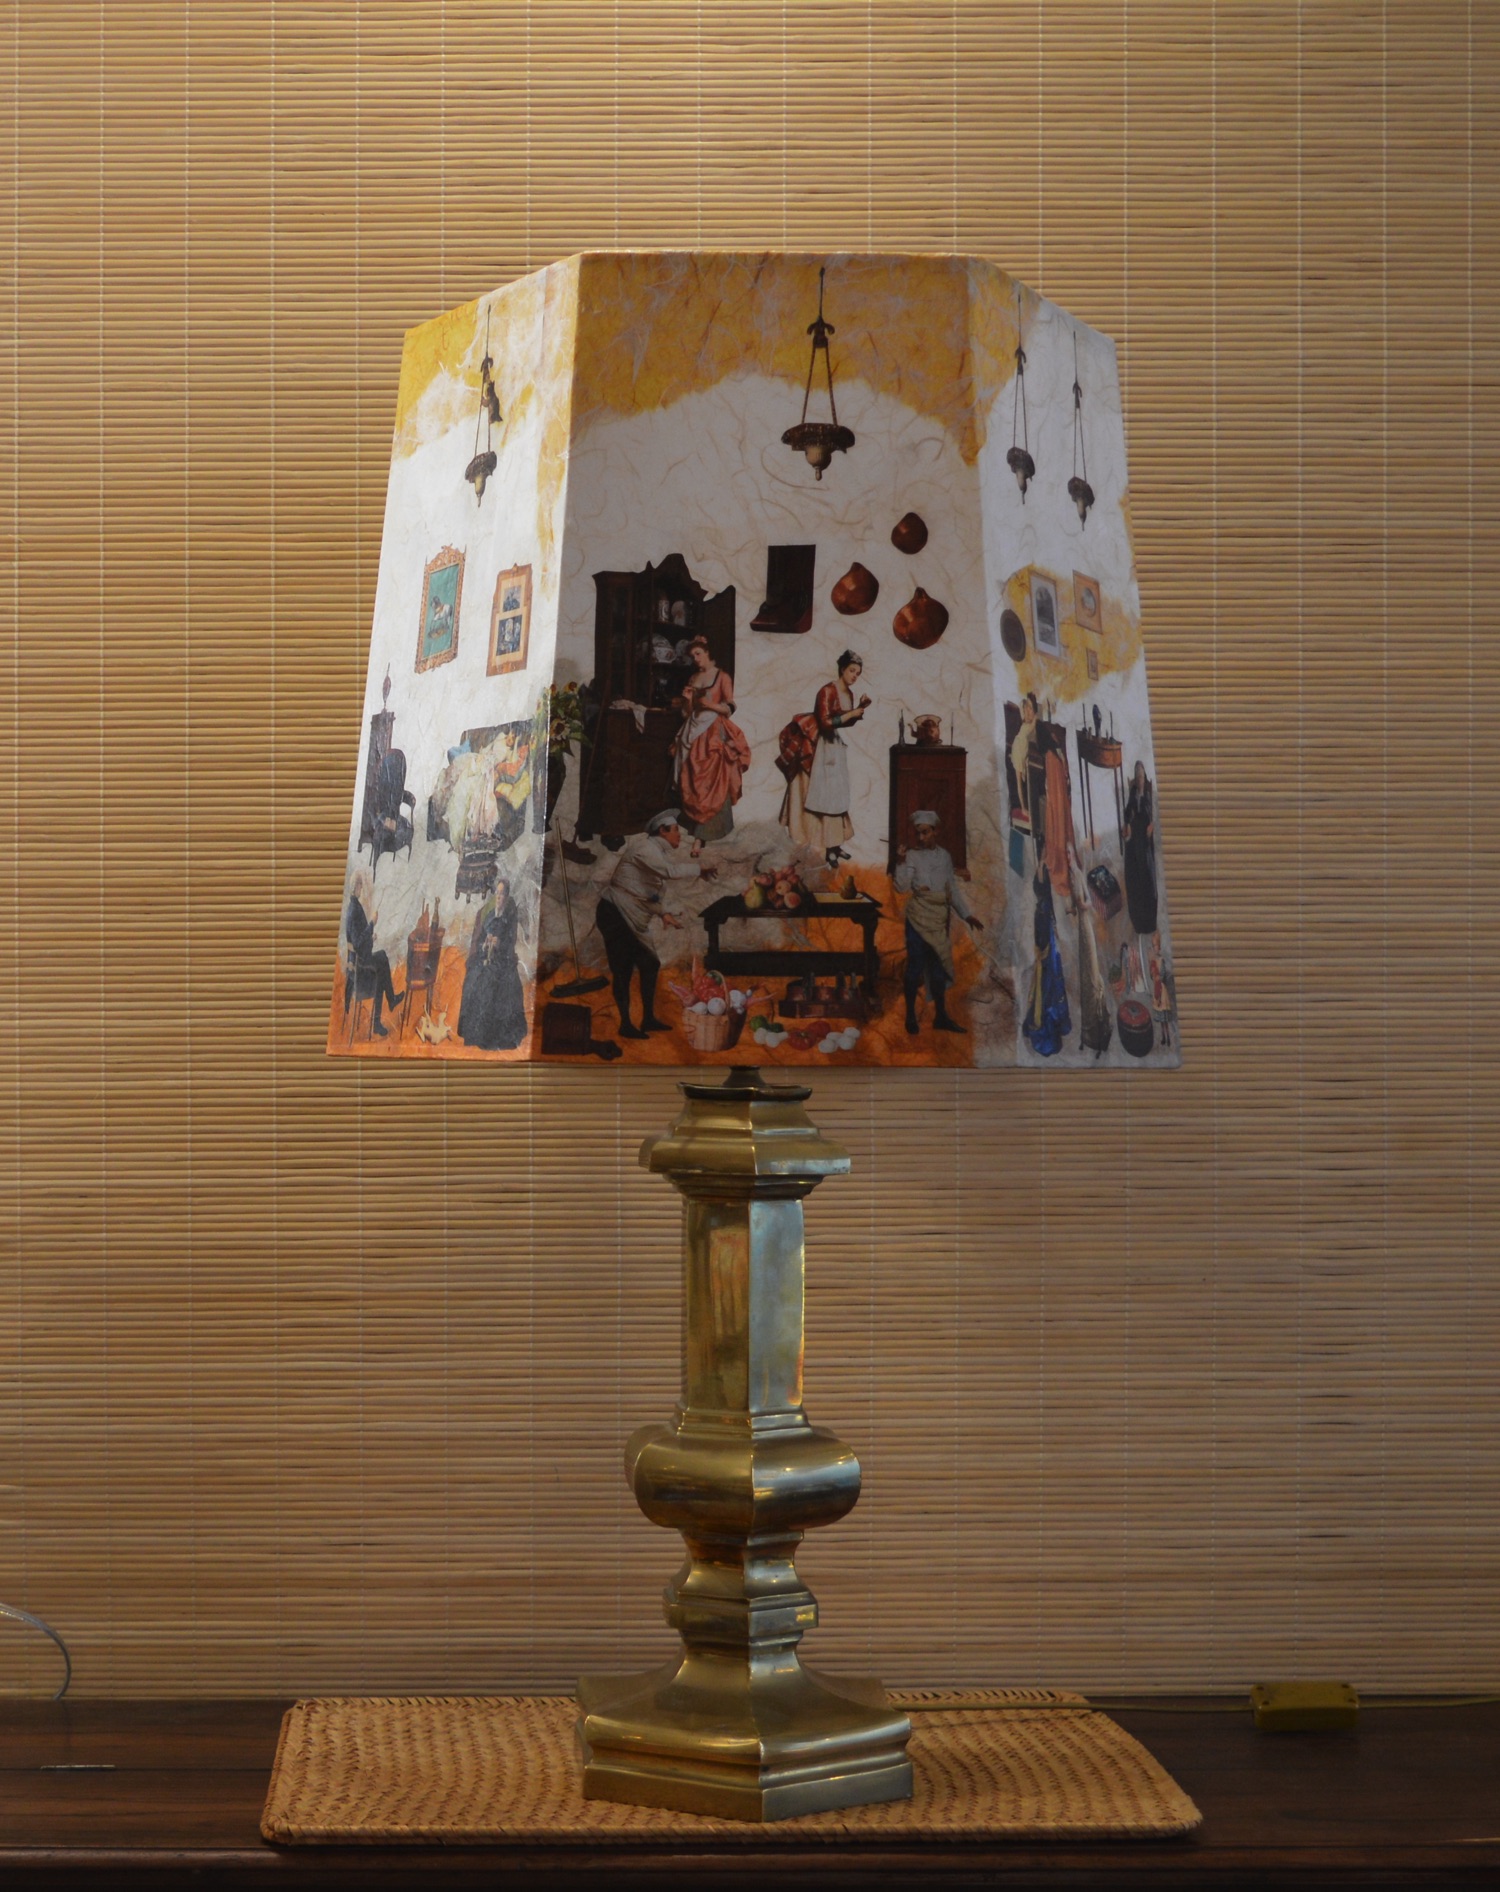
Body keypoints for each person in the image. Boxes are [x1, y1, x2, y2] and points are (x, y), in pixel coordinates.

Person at [594, 808, 717, 1039]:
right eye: (676, 830)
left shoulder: (656, 853)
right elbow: (668, 872)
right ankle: (625, 1024)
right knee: (623, 969)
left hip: (631, 914)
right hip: (615, 913)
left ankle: (648, 1019)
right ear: (662, 831)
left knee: (649, 964)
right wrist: (699, 868)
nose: (680, 835)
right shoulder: (645, 848)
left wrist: (662, 913)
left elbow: (643, 893)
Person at [778, 650, 872, 869]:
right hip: (817, 744)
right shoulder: (827, 690)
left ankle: (835, 845)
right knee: (824, 797)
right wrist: (852, 713)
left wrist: (859, 710)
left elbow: (845, 722)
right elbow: (825, 722)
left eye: (858, 673)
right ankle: (826, 847)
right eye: (852, 671)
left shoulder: (849, 693)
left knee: (836, 796)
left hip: (833, 746)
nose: (854, 676)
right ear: (842, 669)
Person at [894, 810, 983, 1035]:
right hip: (918, 918)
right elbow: (901, 887)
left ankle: (941, 1017)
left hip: (939, 918)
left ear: (935, 831)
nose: (921, 838)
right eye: (918, 833)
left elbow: (952, 889)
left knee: (938, 967)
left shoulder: (944, 857)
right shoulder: (912, 856)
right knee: (915, 967)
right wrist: (901, 861)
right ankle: (910, 1017)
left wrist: (967, 915)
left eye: (925, 832)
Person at [671, 634, 751, 840]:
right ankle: (693, 825)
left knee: (714, 774)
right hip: (693, 728)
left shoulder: (722, 677)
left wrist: (710, 705)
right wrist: (688, 700)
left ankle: (712, 829)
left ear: (707, 653)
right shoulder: (693, 678)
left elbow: (730, 707)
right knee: (691, 773)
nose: (695, 659)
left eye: (698, 654)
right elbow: (687, 713)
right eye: (692, 656)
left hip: (714, 730)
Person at [457, 876, 528, 1050]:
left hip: (503, 960)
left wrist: (499, 943)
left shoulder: (509, 917)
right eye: (497, 893)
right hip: (485, 957)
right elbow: (480, 938)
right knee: (473, 979)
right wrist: (486, 943)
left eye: (502, 894)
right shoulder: (488, 915)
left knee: (492, 981)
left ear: (507, 896)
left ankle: (490, 1037)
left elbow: (511, 942)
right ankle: (475, 1033)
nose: (499, 897)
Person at [343, 868, 401, 1039]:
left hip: (359, 961)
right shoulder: (354, 910)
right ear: (355, 887)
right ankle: (387, 1006)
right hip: (360, 966)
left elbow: (359, 939)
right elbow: (358, 942)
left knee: (381, 957)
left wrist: (370, 936)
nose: (362, 888)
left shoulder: (353, 907)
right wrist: (372, 924)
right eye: (360, 885)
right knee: (381, 971)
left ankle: (390, 1002)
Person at [1022, 863, 1071, 1057]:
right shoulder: (1042, 910)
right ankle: (1050, 1025)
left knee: (1049, 992)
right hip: (1047, 960)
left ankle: (1053, 1021)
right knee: (1048, 994)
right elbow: (1042, 942)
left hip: (1049, 957)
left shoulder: (1042, 908)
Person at [1122, 759, 1159, 934]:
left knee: (1147, 878)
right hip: (1134, 838)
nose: (1139, 780)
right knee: (1132, 877)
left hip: (1144, 839)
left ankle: (1149, 922)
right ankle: (1137, 921)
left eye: (1141, 777)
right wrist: (1127, 823)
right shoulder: (1133, 793)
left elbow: (1151, 817)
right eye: (1137, 778)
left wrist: (1151, 826)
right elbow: (1127, 813)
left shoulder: (1147, 796)